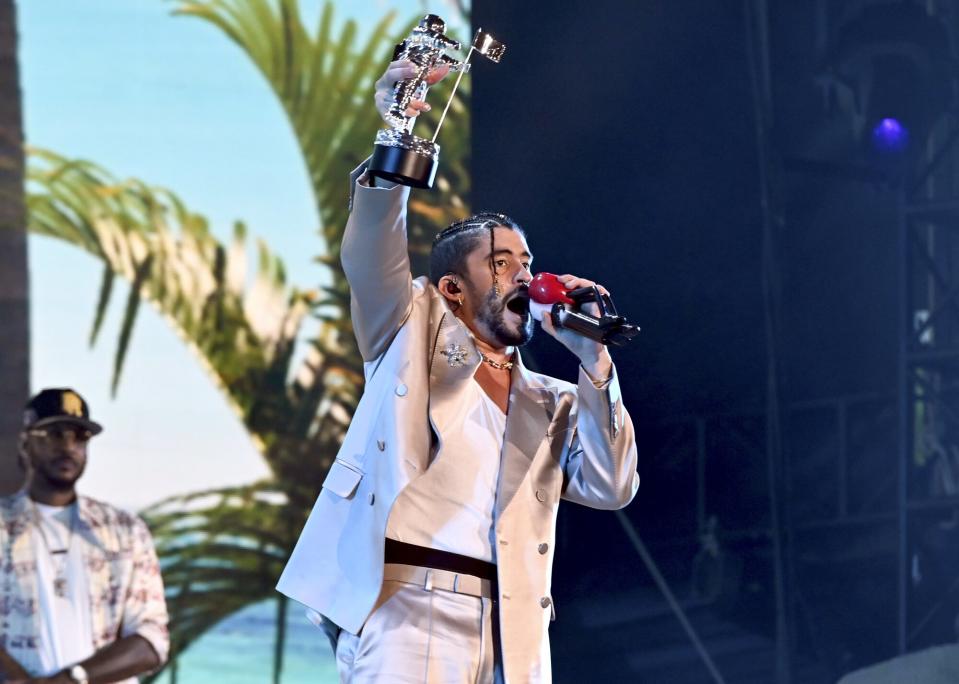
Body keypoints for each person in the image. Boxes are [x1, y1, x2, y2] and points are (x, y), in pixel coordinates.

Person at [277, 59, 639, 683]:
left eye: (526, 261)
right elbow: (371, 256)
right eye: (500, 263)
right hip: (408, 610)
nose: (524, 275)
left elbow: (612, 487)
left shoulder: (552, 400)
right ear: (451, 289)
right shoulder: (409, 333)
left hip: (513, 628)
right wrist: (395, 140)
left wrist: (594, 360)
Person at [0, 389, 169, 684]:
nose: (68, 446)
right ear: (25, 443)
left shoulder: (124, 530)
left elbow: (152, 639)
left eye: (79, 437)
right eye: (54, 434)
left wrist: (71, 679)